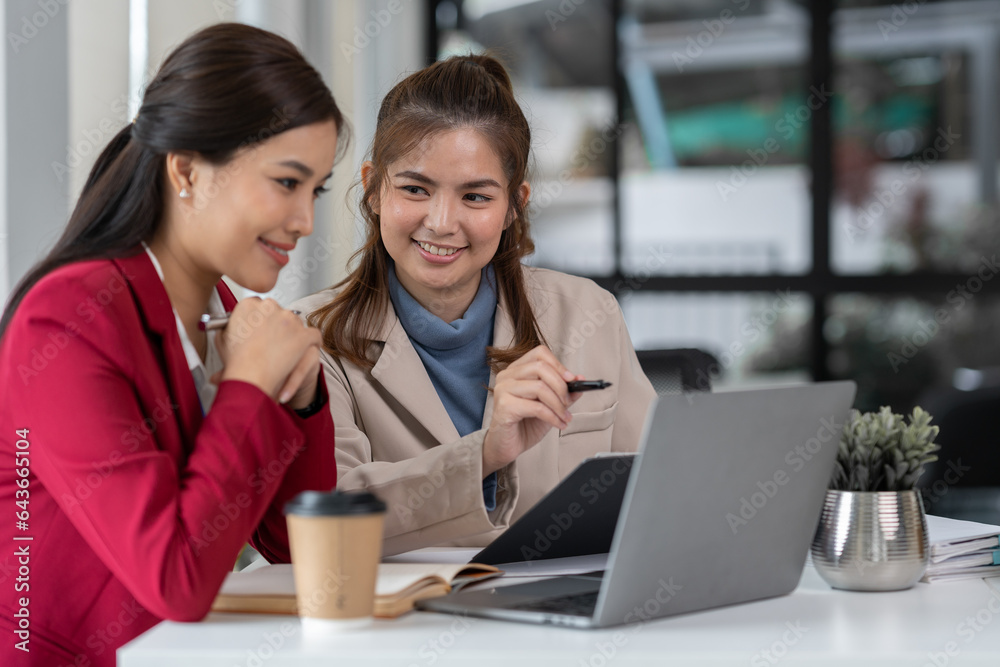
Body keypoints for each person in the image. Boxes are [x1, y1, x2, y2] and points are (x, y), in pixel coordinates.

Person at [0, 23, 343, 666]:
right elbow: (175, 579)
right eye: (287, 183)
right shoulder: (69, 318)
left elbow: (297, 547)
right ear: (186, 170)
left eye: (315, 189)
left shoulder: (229, 313)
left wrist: (295, 399)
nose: (306, 222)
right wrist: (248, 387)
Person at [296, 55, 655, 557]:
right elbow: (324, 517)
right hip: (397, 622)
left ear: (514, 205)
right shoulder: (310, 337)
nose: (442, 222)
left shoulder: (588, 313)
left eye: (476, 197)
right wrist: (485, 454)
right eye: (415, 189)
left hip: (561, 620)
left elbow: (655, 490)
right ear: (374, 188)